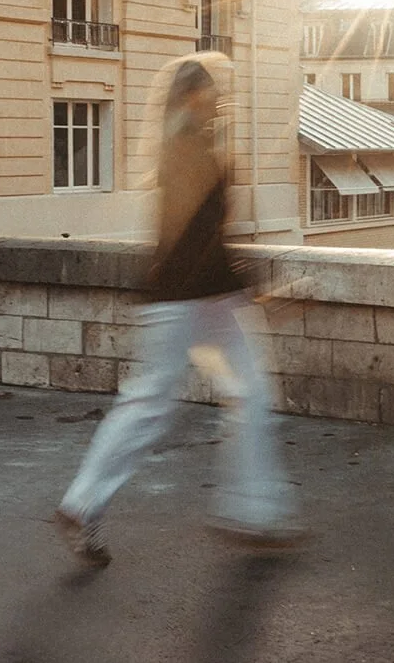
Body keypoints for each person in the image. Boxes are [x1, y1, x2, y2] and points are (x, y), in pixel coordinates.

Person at [54, 52, 303, 566]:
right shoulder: (192, 150)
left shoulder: (182, 146)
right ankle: (252, 513)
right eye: (212, 94)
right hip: (193, 298)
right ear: (193, 97)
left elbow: (201, 237)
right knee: (197, 399)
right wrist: (255, 293)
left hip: (192, 297)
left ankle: (88, 503)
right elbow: (198, 238)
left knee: (174, 401)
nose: (220, 103)